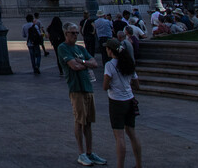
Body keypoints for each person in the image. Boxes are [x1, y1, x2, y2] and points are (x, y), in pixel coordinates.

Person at [59, 22, 106, 166]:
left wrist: (82, 61)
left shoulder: (80, 48)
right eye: (72, 33)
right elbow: (74, 66)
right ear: (66, 34)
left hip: (88, 88)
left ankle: (90, 152)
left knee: (88, 122)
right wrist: (85, 63)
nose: (75, 35)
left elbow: (95, 63)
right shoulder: (63, 48)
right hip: (76, 88)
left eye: (76, 33)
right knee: (80, 121)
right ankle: (81, 153)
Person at [102, 39, 142, 168]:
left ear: (110, 50)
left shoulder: (109, 65)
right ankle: (139, 164)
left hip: (116, 102)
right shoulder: (128, 63)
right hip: (130, 100)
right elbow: (137, 85)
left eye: (107, 48)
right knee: (132, 133)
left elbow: (105, 86)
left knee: (119, 137)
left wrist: (113, 85)